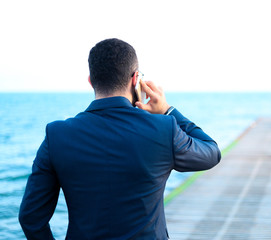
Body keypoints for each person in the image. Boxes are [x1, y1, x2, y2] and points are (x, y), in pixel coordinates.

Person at [18, 38, 221, 240]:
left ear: (91, 80)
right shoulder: (163, 128)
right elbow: (211, 152)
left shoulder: (57, 135)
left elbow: (31, 219)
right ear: (135, 80)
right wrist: (168, 111)